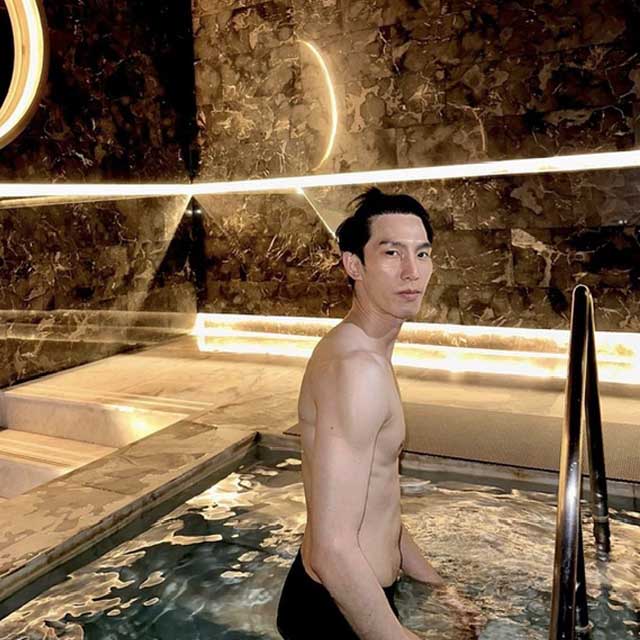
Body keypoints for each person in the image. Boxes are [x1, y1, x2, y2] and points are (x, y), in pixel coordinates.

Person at [276, 188, 478, 640]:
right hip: (337, 609)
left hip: (355, 595)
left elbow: (378, 501)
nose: (412, 271)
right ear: (354, 265)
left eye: (421, 253)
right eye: (391, 253)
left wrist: (440, 588)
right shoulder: (356, 370)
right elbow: (332, 550)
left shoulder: (367, 352)